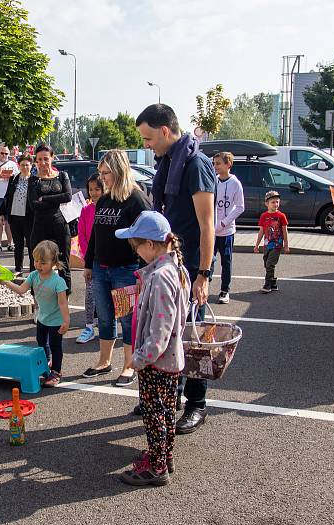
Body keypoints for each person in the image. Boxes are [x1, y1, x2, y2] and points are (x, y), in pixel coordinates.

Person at [136, 103, 215, 434]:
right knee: (163, 330)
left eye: (149, 137)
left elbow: (207, 223)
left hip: (190, 264)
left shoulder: (196, 164)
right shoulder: (168, 161)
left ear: (166, 130)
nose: (146, 144)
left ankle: (197, 404)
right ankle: (168, 395)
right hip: (168, 261)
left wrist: (204, 274)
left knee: (190, 337)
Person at [114, 211, 188, 486]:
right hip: (169, 359)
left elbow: (161, 328)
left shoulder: (160, 277)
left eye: (137, 246)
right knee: (165, 412)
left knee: (154, 414)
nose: (136, 252)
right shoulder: (175, 268)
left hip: (156, 361)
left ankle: (157, 468)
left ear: (151, 245)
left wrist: (140, 358)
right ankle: (163, 455)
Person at [83, 150, 151, 385]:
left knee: (127, 319)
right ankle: (104, 362)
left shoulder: (137, 199)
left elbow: (148, 237)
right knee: (104, 317)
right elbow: (95, 234)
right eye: (100, 173)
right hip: (100, 268)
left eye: (106, 173)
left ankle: (129, 366)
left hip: (126, 269)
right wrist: (89, 262)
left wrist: (143, 271)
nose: (102, 178)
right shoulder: (104, 198)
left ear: (119, 171)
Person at [0, 240, 69, 387]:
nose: (38, 265)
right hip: (42, 318)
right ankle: (45, 365)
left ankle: (56, 371)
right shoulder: (33, 276)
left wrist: (66, 321)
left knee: (56, 346)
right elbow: (21, 290)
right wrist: (6, 282)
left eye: (43, 262)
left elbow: (63, 303)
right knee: (41, 342)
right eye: (36, 261)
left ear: (53, 262)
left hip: (56, 320)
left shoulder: (58, 281)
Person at [29, 144, 72, 294]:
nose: (42, 163)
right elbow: (34, 205)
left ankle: (64, 301)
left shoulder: (62, 176)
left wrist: (45, 198)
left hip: (60, 224)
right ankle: (38, 304)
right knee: (36, 264)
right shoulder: (33, 180)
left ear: (52, 158)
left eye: (46, 159)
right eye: (39, 159)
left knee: (63, 264)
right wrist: (54, 200)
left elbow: (68, 196)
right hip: (40, 226)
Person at [211, 152, 244, 304]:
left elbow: (240, 207)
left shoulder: (235, 183)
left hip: (227, 231)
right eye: (214, 163)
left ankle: (225, 290)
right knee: (208, 260)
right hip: (211, 231)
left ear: (228, 165)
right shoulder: (213, 181)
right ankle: (205, 285)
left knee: (226, 261)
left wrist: (224, 222)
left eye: (218, 163)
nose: (215, 166)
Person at [75, 173, 103, 344]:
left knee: (106, 295)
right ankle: (89, 326)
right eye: (91, 189)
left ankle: (105, 325)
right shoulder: (86, 210)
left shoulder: (109, 208)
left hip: (107, 259)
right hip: (91, 260)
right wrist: (88, 256)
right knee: (90, 294)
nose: (93, 193)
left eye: (97, 189)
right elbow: (82, 236)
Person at [0, 154, 35, 275]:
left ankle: (33, 269)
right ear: (18, 166)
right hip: (14, 216)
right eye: (22, 165)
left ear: (31, 165)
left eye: (27, 165)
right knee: (18, 245)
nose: (25, 167)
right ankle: (18, 269)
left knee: (31, 245)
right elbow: (7, 196)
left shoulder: (34, 180)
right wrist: (2, 212)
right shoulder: (13, 178)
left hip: (29, 218)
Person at [254, 190, 289, 293]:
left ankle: (267, 285)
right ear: (267, 204)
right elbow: (261, 231)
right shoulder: (263, 216)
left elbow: (285, 231)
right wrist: (257, 245)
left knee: (270, 264)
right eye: (273, 202)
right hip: (266, 245)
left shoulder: (281, 216)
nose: (276, 204)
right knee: (267, 264)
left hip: (277, 245)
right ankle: (273, 283)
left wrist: (286, 245)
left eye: (277, 202)